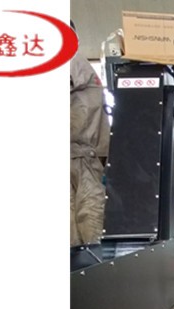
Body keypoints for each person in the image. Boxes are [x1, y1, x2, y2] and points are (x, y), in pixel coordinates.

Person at [70, 28, 110, 247]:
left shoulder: (70, 58)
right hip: (78, 152)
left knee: (88, 210)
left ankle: (93, 260)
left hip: (83, 153)